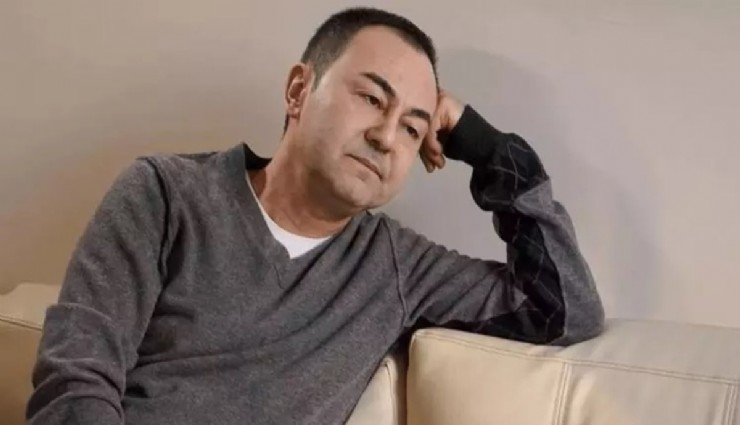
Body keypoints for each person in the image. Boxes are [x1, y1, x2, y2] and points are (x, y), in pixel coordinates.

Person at [25, 6, 604, 425]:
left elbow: (565, 310)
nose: (386, 137)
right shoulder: (165, 195)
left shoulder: (398, 268)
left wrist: (483, 144)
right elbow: (75, 378)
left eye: (413, 127)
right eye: (372, 99)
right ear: (299, 90)